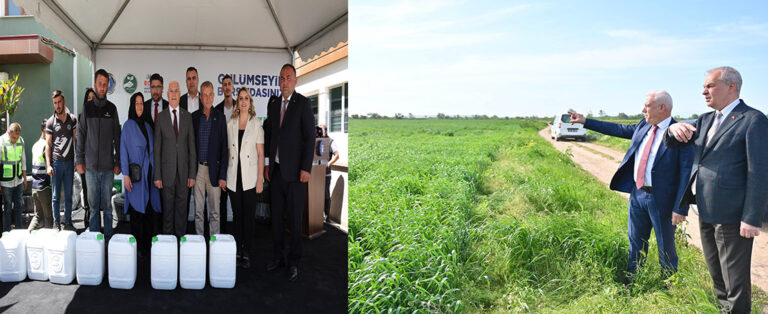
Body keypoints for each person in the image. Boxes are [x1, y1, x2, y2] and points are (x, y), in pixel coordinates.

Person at [665, 66, 768, 313]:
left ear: (731, 86)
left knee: (735, 281)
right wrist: (672, 129)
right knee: (718, 276)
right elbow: (674, 143)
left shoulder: (753, 120)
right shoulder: (705, 120)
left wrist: (752, 218)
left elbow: (760, 172)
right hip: (706, 211)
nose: (704, 92)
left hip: (733, 216)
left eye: (710, 86)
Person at [569, 90, 694, 281]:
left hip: (663, 201)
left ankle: (669, 289)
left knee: (665, 249)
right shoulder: (644, 125)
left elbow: (687, 173)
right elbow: (618, 129)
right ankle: (633, 282)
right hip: (638, 195)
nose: (643, 109)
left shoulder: (680, 134)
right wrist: (586, 121)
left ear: (662, 108)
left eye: (647, 106)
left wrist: (680, 207)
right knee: (636, 243)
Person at [264, 64, 316, 281]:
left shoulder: (303, 103)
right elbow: (270, 136)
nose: (284, 82)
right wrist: (267, 163)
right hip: (276, 173)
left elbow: (310, 138)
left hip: (296, 175)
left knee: (294, 221)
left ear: (295, 81)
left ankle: (294, 262)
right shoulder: (274, 105)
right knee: (276, 220)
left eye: (288, 78)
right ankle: (279, 257)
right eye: (281, 78)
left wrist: (306, 168)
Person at [76, 69, 121, 239]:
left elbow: (117, 136)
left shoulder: (112, 109)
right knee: (93, 209)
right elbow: (81, 135)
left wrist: (118, 161)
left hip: (108, 168)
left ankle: (108, 240)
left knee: (108, 209)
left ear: (107, 86)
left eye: (105, 84)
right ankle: (96, 241)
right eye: (100, 84)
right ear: (95, 85)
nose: (102, 87)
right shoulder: (87, 108)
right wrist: (79, 160)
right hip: (91, 169)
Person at [226, 87, 264, 269]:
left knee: (249, 217)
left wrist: (260, 179)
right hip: (234, 177)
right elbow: (228, 152)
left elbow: (260, 153)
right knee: (237, 216)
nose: (243, 101)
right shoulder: (231, 123)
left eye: (246, 98)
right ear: (237, 101)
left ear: (250, 102)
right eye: (240, 98)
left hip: (249, 178)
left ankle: (247, 251)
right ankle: (237, 250)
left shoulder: (256, 123)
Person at [154, 80, 196, 239]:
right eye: (171, 91)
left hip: (184, 174)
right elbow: (156, 149)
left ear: (180, 94)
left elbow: (192, 147)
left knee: (181, 211)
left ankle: (180, 243)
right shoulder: (161, 117)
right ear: (167, 94)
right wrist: (157, 175)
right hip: (166, 174)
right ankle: (168, 246)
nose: (173, 94)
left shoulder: (188, 116)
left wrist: (192, 174)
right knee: (168, 212)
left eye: (176, 91)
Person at [121, 92, 162, 258]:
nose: (139, 106)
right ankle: (136, 247)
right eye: (136, 103)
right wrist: (125, 175)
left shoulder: (147, 125)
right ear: (132, 106)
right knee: (137, 213)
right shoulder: (128, 126)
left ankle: (147, 246)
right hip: (136, 177)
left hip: (150, 176)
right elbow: (123, 151)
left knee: (150, 213)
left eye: (141, 103)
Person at [192, 81, 227, 237]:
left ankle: (214, 245)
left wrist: (222, 175)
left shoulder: (220, 117)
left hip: (214, 170)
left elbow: (224, 148)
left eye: (210, 94)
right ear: (200, 97)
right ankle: (199, 244)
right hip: (198, 170)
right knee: (198, 211)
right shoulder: (194, 118)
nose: (207, 98)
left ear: (213, 96)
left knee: (214, 212)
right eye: (204, 95)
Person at [46, 90, 78, 231]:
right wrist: (48, 165)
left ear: (63, 101)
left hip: (70, 163)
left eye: (59, 102)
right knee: (55, 196)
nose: (57, 105)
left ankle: (68, 222)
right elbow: (48, 145)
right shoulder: (50, 122)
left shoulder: (73, 119)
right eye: (55, 103)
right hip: (57, 163)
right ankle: (56, 223)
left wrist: (79, 159)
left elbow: (77, 140)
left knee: (69, 195)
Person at [215, 74, 236, 233]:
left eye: (229, 84)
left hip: (236, 161)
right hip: (222, 161)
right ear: (221, 88)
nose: (227, 87)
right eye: (224, 84)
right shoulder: (216, 110)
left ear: (232, 87)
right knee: (221, 202)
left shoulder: (240, 106)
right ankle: (221, 234)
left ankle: (236, 236)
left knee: (236, 202)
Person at [1, 123, 27, 231]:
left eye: (17, 137)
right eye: (13, 137)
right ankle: (6, 234)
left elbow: (23, 160)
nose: (15, 140)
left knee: (19, 208)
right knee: (7, 208)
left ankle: (19, 233)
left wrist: (25, 179)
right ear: (8, 133)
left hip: (18, 180)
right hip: (6, 182)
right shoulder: (1, 141)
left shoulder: (21, 141)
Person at [29, 120, 53, 231]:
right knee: (48, 218)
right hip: (44, 187)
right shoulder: (46, 146)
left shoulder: (35, 145)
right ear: (44, 131)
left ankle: (28, 236)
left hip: (34, 187)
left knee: (37, 216)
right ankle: (47, 244)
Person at [79, 88, 96, 230]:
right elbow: (79, 140)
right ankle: (87, 216)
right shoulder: (81, 117)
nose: (91, 99)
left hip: (99, 162)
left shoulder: (101, 114)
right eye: (88, 97)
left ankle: (96, 221)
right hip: (86, 162)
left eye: (93, 97)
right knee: (86, 191)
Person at [318, 124, 339, 220]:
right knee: (316, 194)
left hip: (326, 173)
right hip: (316, 173)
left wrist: (328, 165)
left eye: (321, 130)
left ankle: (327, 216)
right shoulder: (316, 140)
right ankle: (317, 215)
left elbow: (337, 156)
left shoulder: (330, 141)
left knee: (325, 194)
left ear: (325, 130)